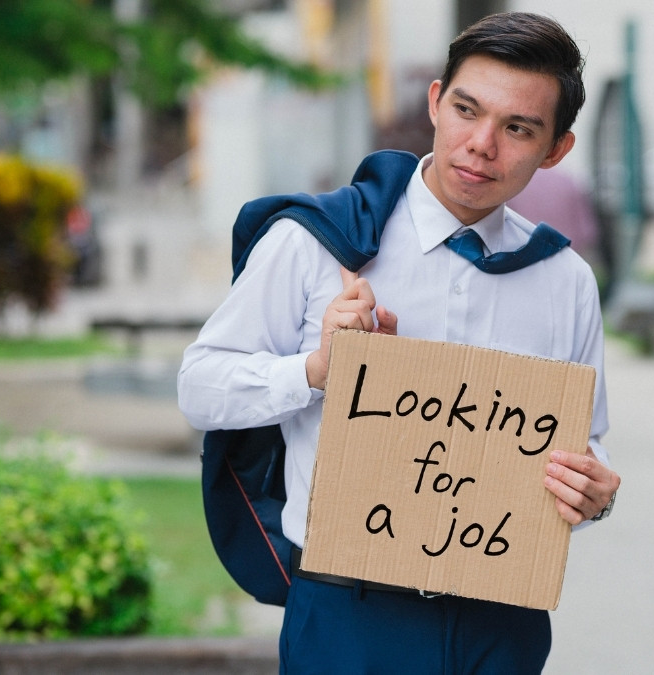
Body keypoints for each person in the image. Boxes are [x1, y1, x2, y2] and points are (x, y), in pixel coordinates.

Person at [179, 11, 620, 673]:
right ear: (436, 102)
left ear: (555, 148)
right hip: (349, 615)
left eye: (518, 128)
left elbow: (583, 445)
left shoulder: (564, 280)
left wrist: (595, 493)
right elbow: (200, 387)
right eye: (467, 110)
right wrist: (316, 369)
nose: (481, 144)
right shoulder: (318, 242)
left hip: (500, 623)